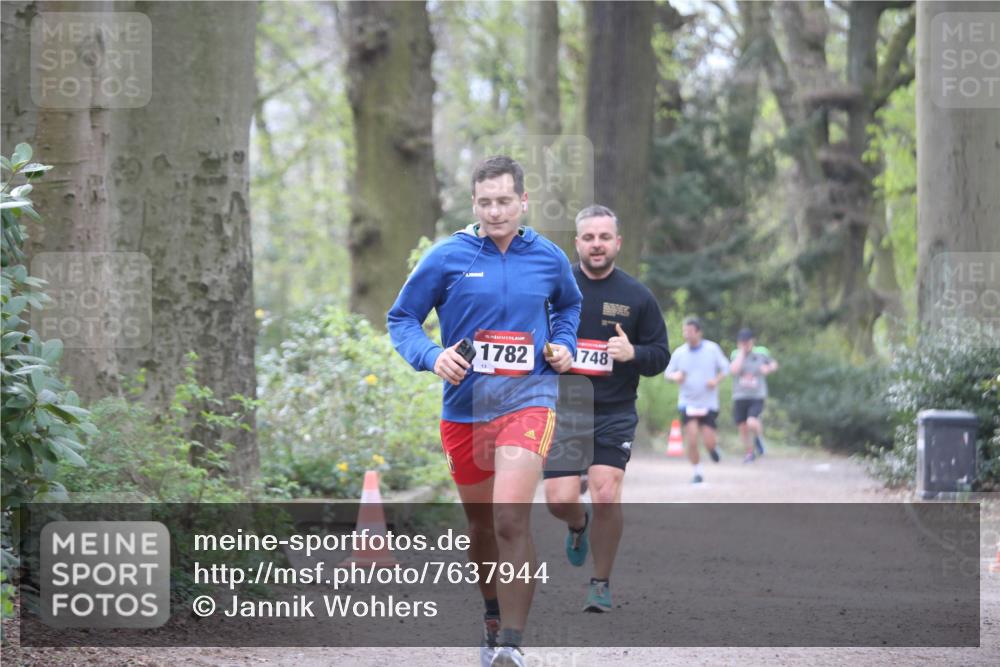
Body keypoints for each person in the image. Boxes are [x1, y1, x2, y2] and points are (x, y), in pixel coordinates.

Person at [387, 155, 581, 667]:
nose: (496, 212)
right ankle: (492, 614)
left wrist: (563, 345)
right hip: (465, 407)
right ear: (474, 204)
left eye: (505, 202)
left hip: (529, 400)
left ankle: (511, 645)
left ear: (523, 202)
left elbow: (568, 306)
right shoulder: (447, 256)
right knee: (482, 526)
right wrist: (433, 356)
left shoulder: (548, 257)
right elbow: (402, 317)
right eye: (486, 202)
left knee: (510, 516)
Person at [542, 205, 670, 613]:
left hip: (615, 409)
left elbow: (661, 356)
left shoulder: (637, 297)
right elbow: (528, 342)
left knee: (606, 492)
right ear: (576, 243)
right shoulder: (555, 290)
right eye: (588, 237)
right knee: (559, 500)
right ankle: (578, 526)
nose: (596, 244)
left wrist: (633, 352)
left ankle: (600, 582)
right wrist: (550, 353)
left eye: (604, 237)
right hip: (567, 408)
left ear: (617, 242)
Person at [664, 317, 729, 483]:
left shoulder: (712, 349)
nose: (687, 334)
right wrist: (675, 376)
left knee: (708, 440)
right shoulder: (680, 352)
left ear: (698, 332)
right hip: (688, 402)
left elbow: (725, 368)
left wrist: (716, 380)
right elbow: (668, 373)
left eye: (690, 331)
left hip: (708, 402)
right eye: (684, 331)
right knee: (691, 438)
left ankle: (713, 448)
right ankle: (697, 472)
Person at [730, 327, 778, 463]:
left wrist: (767, 368)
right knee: (743, 427)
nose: (745, 344)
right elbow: (733, 370)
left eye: (747, 342)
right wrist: (742, 354)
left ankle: (758, 438)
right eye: (742, 342)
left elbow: (774, 364)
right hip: (740, 395)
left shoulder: (762, 352)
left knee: (752, 422)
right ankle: (749, 452)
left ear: (752, 341)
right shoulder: (735, 354)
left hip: (757, 395)